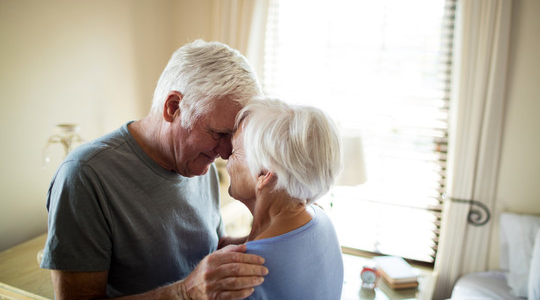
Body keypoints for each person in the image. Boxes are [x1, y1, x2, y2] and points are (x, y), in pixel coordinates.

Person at [40, 39, 268, 299]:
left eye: (234, 136)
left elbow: (206, 249)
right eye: (219, 133)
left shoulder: (199, 163)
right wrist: (183, 293)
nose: (227, 152)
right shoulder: (85, 175)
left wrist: (271, 235)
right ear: (173, 108)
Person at [226, 97, 345, 299]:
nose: (226, 158)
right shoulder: (321, 221)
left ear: (264, 173)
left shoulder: (243, 275)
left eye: (234, 151)